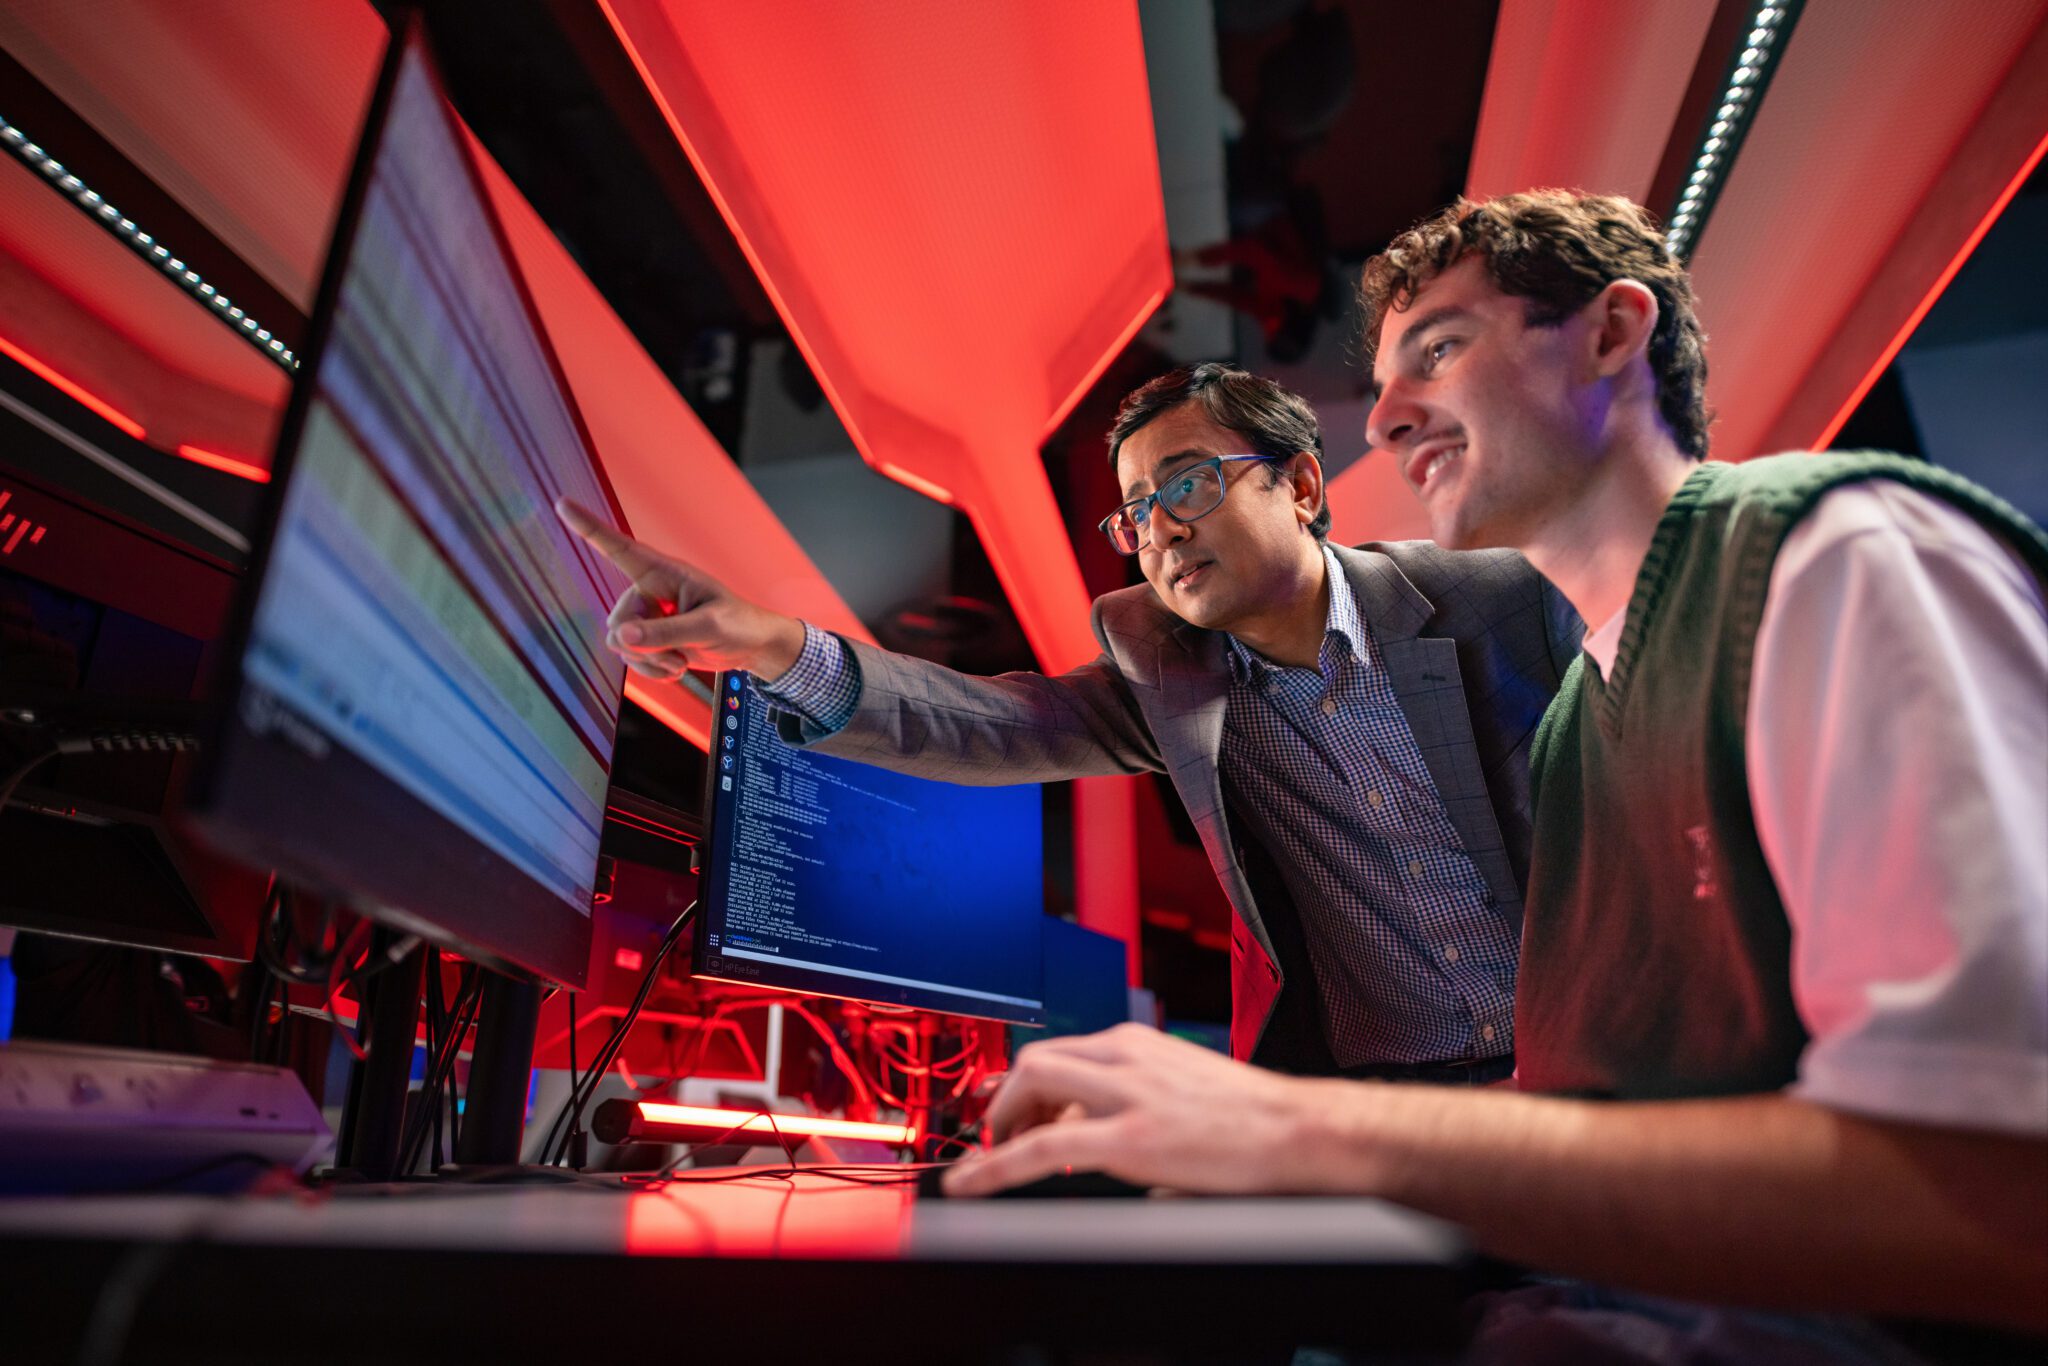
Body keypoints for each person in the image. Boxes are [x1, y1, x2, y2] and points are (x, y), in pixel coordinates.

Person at [935, 192, 2048, 1342]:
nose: (1385, 421)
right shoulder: (1580, 721)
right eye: (1380, 384)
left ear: (1612, 336)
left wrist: (1303, 1133)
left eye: (1440, 348)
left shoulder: (1826, 559)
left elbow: (1991, 1185)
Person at [559, 363, 1580, 1082]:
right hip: (1377, 1110)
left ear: (1302, 484)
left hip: (1596, 1072)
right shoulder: (1167, 675)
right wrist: (774, 645)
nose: (1159, 529)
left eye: (1186, 483)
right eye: (1134, 512)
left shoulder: (1503, 598)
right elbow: (984, 725)